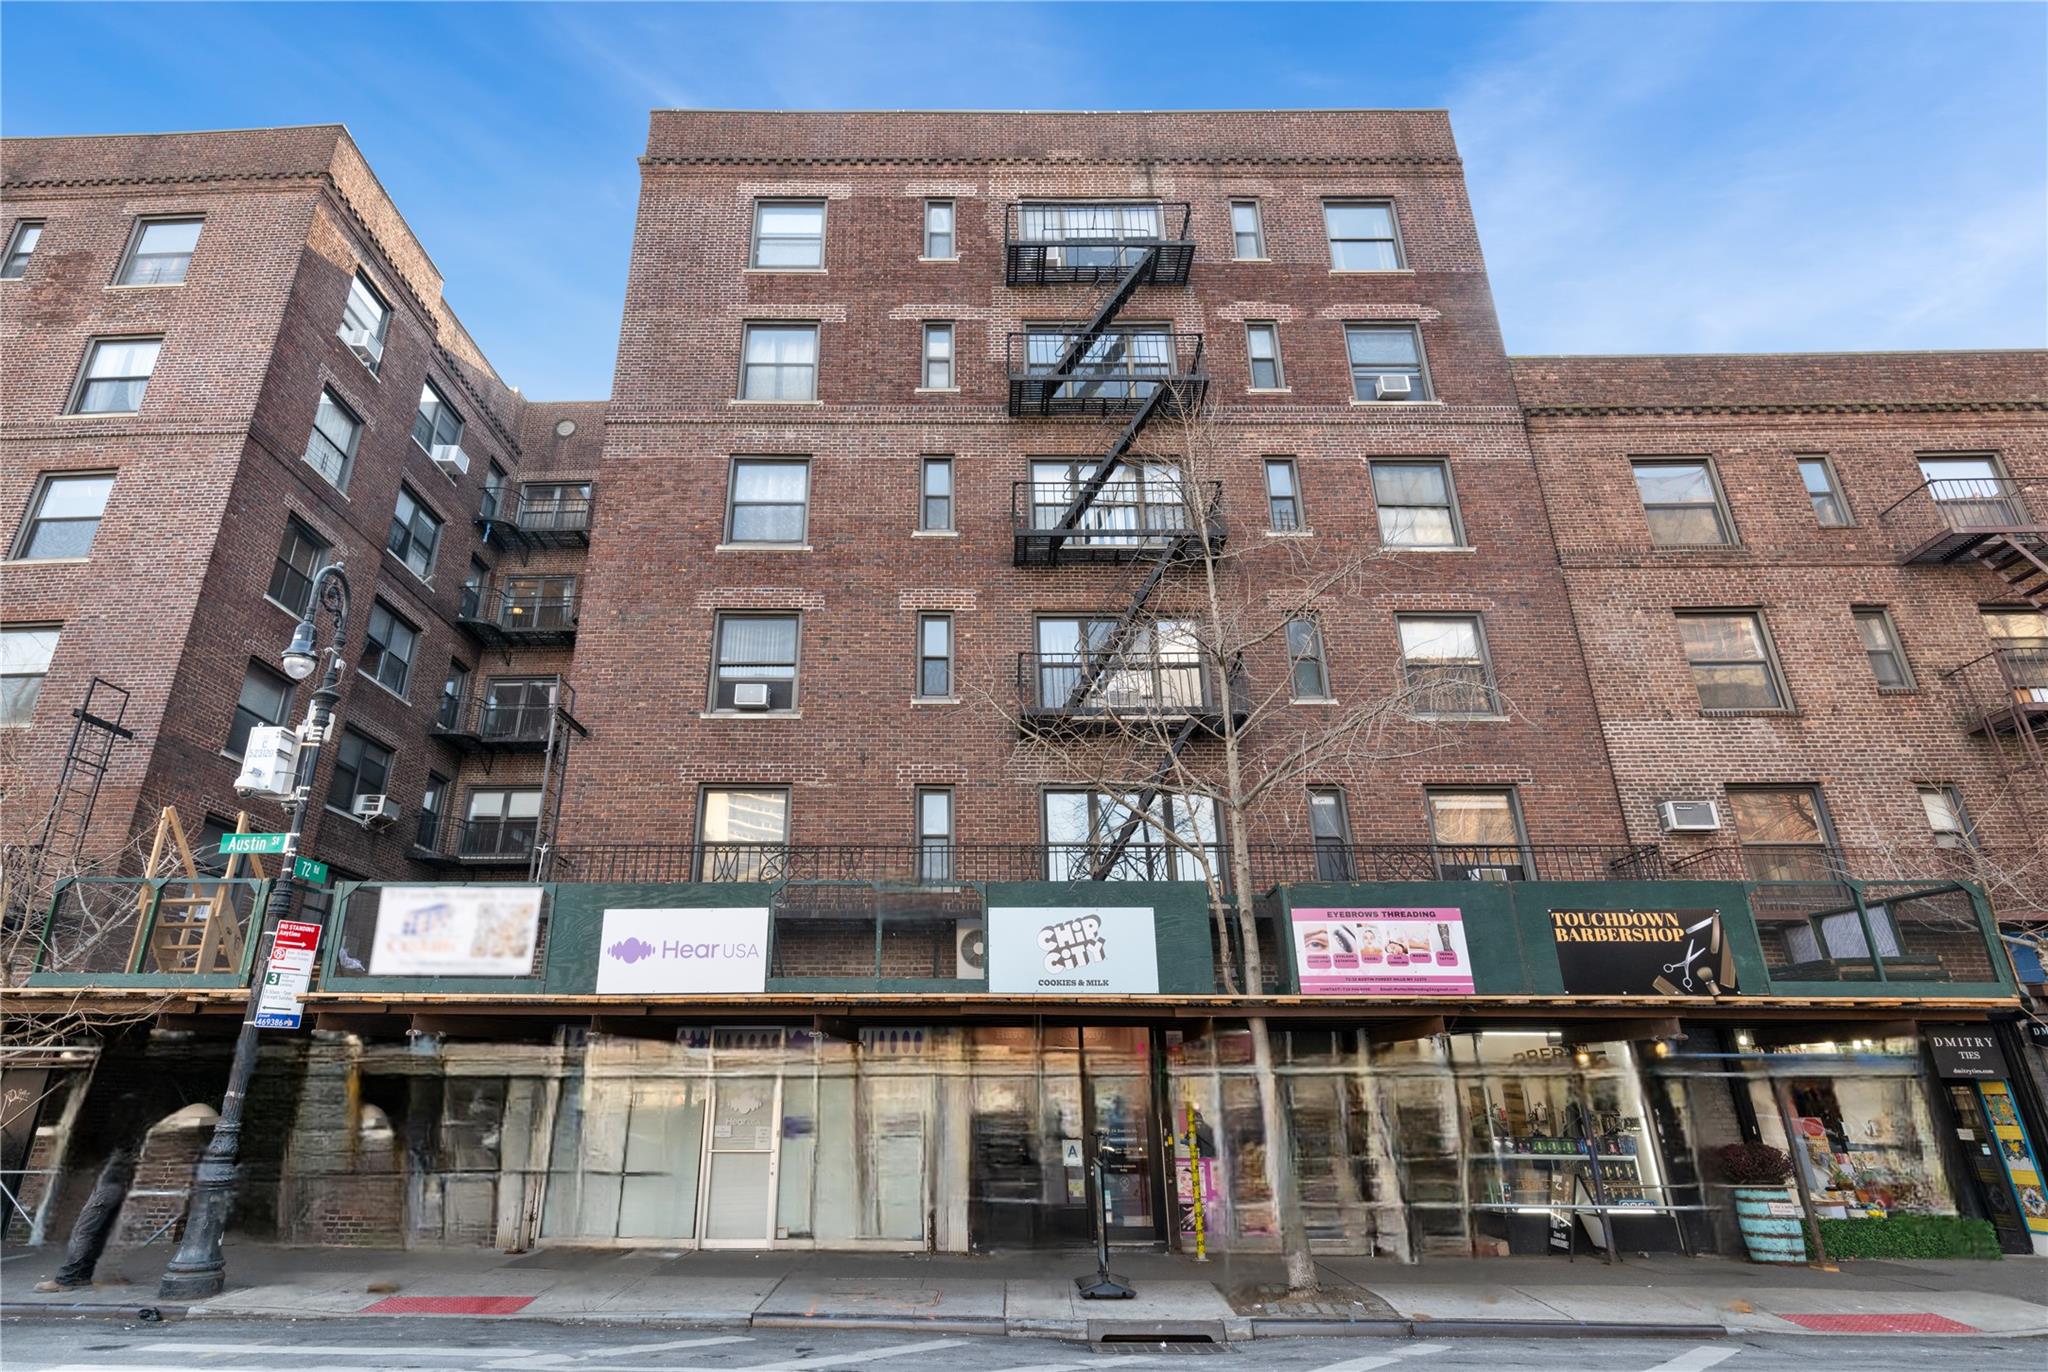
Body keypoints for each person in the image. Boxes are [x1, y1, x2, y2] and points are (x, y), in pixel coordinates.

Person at [34, 1099, 142, 1294]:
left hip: (108, 1184)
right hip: (119, 1184)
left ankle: (66, 1279)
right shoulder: (134, 1134)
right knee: (97, 1232)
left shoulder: (117, 1132)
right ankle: (82, 1276)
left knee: (83, 1231)